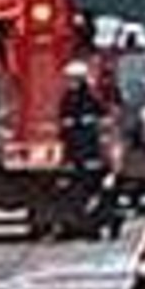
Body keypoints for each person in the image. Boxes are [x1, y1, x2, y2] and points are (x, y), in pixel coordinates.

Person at [56, 60, 116, 239]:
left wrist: (103, 152)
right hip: (74, 155)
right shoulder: (66, 100)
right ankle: (76, 224)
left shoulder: (91, 99)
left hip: (91, 154)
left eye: (74, 79)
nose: (71, 83)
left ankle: (97, 224)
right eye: (69, 79)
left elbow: (105, 122)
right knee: (74, 192)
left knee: (93, 191)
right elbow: (64, 129)